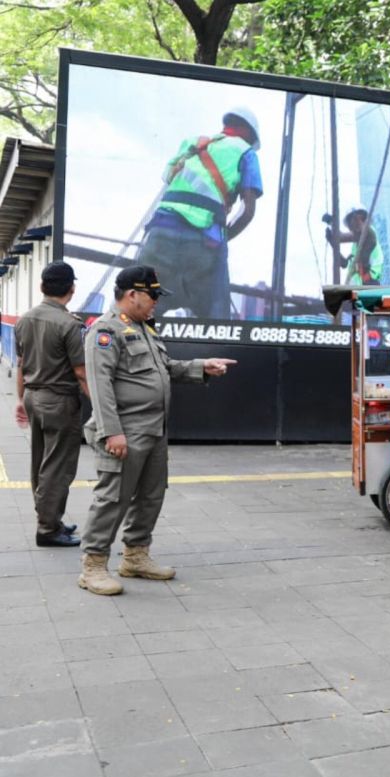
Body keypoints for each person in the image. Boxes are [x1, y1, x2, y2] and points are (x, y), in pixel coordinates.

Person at [78, 266, 236, 596]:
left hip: (153, 429)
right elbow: (100, 385)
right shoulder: (105, 331)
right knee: (113, 498)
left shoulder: (144, 329)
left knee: (151, 495)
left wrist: (200, 367)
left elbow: (164, 369)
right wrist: (112, 432)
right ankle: (92, 566)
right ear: (132, 294)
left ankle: (135, 556)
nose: (156, 304)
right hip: (125, 431)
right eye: (152, 296)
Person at [137, 107, 264, 319]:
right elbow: (248, 211)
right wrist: (224, 238)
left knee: (139, 312)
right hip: (203, 242)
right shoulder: (246, 152)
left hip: (160, 233)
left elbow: (168, 176)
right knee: (216, 322)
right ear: (249, 134)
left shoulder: (195, 143)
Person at [14, 261, 90, 547]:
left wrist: (20, 400)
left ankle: (51, 519)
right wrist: (105, 411)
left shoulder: (24, 320)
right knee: (57, 467)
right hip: (59, 402)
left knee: (40, 461)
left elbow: (22, 364)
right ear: (71, 289)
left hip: (34, 397)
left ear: (41, 287)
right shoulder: (69, 325)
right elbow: (81, 372)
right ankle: (47, 529)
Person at [327, 209, 383, 286]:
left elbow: (342, 237)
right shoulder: (356, 245)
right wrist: (332, 225)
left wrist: (333, 224)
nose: (351, 228)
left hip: (370, 282)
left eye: (354, 222)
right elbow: (344, 263)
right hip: (357, 286)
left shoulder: (369, 233)